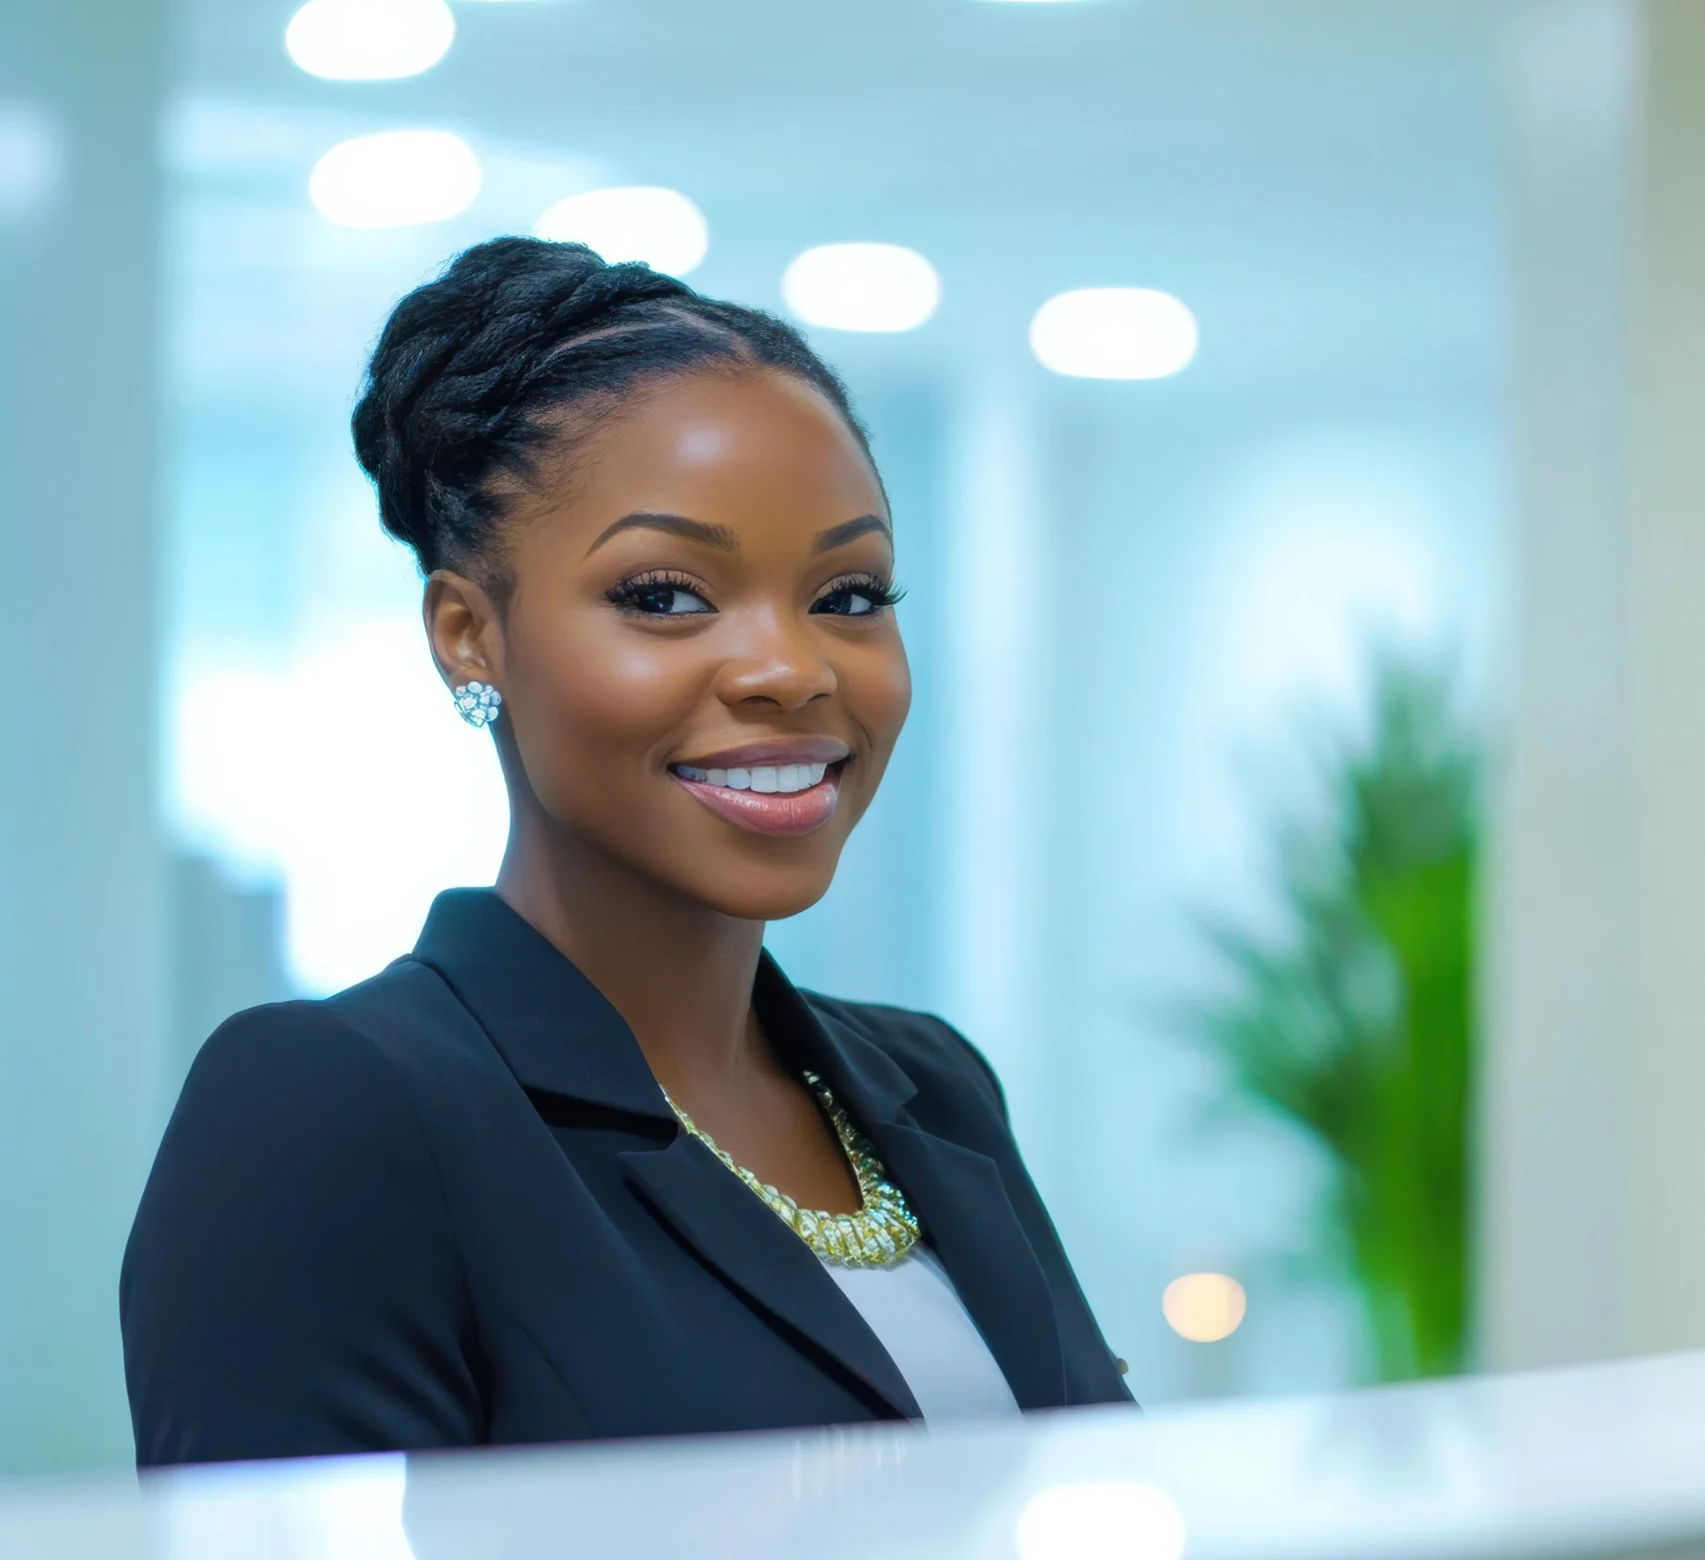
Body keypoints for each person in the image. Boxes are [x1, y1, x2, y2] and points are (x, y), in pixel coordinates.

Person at [122, 238, 1130, 1465]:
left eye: (849, 596)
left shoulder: (934, 1087)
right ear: (467, 634)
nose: (791, 669)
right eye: (664, 595)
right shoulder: (340, 1106)